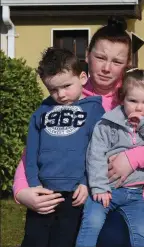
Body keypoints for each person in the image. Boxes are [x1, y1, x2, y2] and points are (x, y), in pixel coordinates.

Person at [13, 18, 144, 247]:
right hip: (94, 197)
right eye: (100, 57)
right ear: (87, 55)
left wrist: (131, 160)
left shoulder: (139, 95)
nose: (106, 68)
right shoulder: (68, 94)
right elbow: (39, 146)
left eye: (117, 61)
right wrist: (22, 190)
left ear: (127, 63)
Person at [76, 68, 144, 247]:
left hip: (135, 194)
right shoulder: (108, 123)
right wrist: (99, 187)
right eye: (132, 100)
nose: (139, 107)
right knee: (92, 223)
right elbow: (95, 155)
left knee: (143, 233)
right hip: (107, 189)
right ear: (122, 99)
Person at [21, 47, 105, 247]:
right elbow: (31, 151)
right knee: (34, 241)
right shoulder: (41, 111)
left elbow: (98, 151)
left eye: (66, 86)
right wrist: (34, 185)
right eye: (53, 89)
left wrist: (87, 182)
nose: (61, 94)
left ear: (83, 77)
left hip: (75, 193)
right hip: (43, 193)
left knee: (65, 241)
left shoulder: (95, 109)